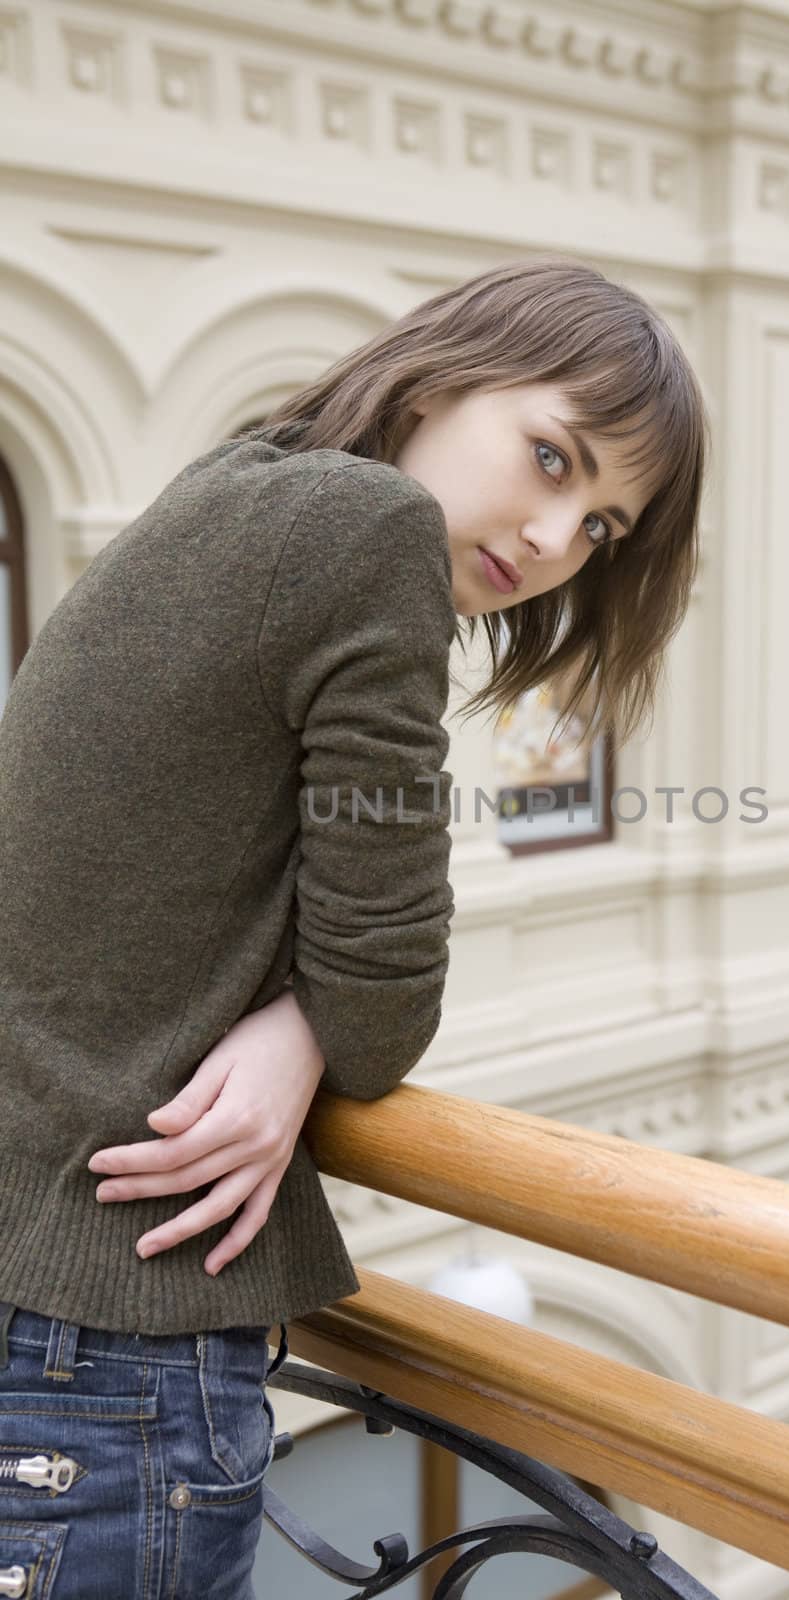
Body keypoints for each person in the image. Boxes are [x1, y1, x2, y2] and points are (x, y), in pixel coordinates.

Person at [0, 255, 708, 1597]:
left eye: (604, 526)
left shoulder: (228, 488)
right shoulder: (372, 529)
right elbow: (387, 1002)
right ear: (444, 373)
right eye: (554, 459)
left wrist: (284, 1027)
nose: (559, 543)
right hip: (120, 1351)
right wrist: (321, 1025)